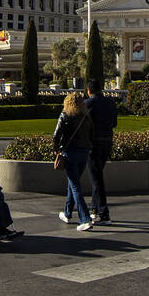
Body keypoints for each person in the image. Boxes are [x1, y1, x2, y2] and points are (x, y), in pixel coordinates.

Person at [53, 92, 94, 231]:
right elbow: (91, 135)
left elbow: (56, 135)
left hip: (70, 153)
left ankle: (85, 219)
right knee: (73, 183)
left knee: (75, 186)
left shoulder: (65, 115)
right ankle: (67, 213)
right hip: (84, 153)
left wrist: (57, 150)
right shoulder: (86, 117)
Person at [84, 80, 117, 225]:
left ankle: (103, 213)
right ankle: (94, 209)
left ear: (89, 90)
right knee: (97, 176)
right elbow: (114, 123)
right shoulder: (110, 103)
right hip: (107, 141)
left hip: (93, 144)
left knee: (96, 178)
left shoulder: (87, 104)